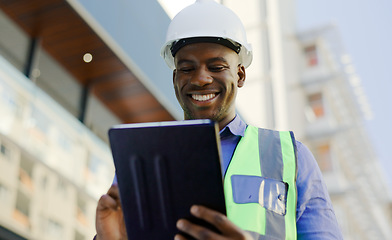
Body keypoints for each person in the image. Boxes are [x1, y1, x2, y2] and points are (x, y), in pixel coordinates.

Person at [95, 0, 343, 239]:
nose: (201, 79)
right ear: (174, 80)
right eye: (187, 68)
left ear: (240, 75)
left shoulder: (290, 157)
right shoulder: (143, 158)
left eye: (216, 67)